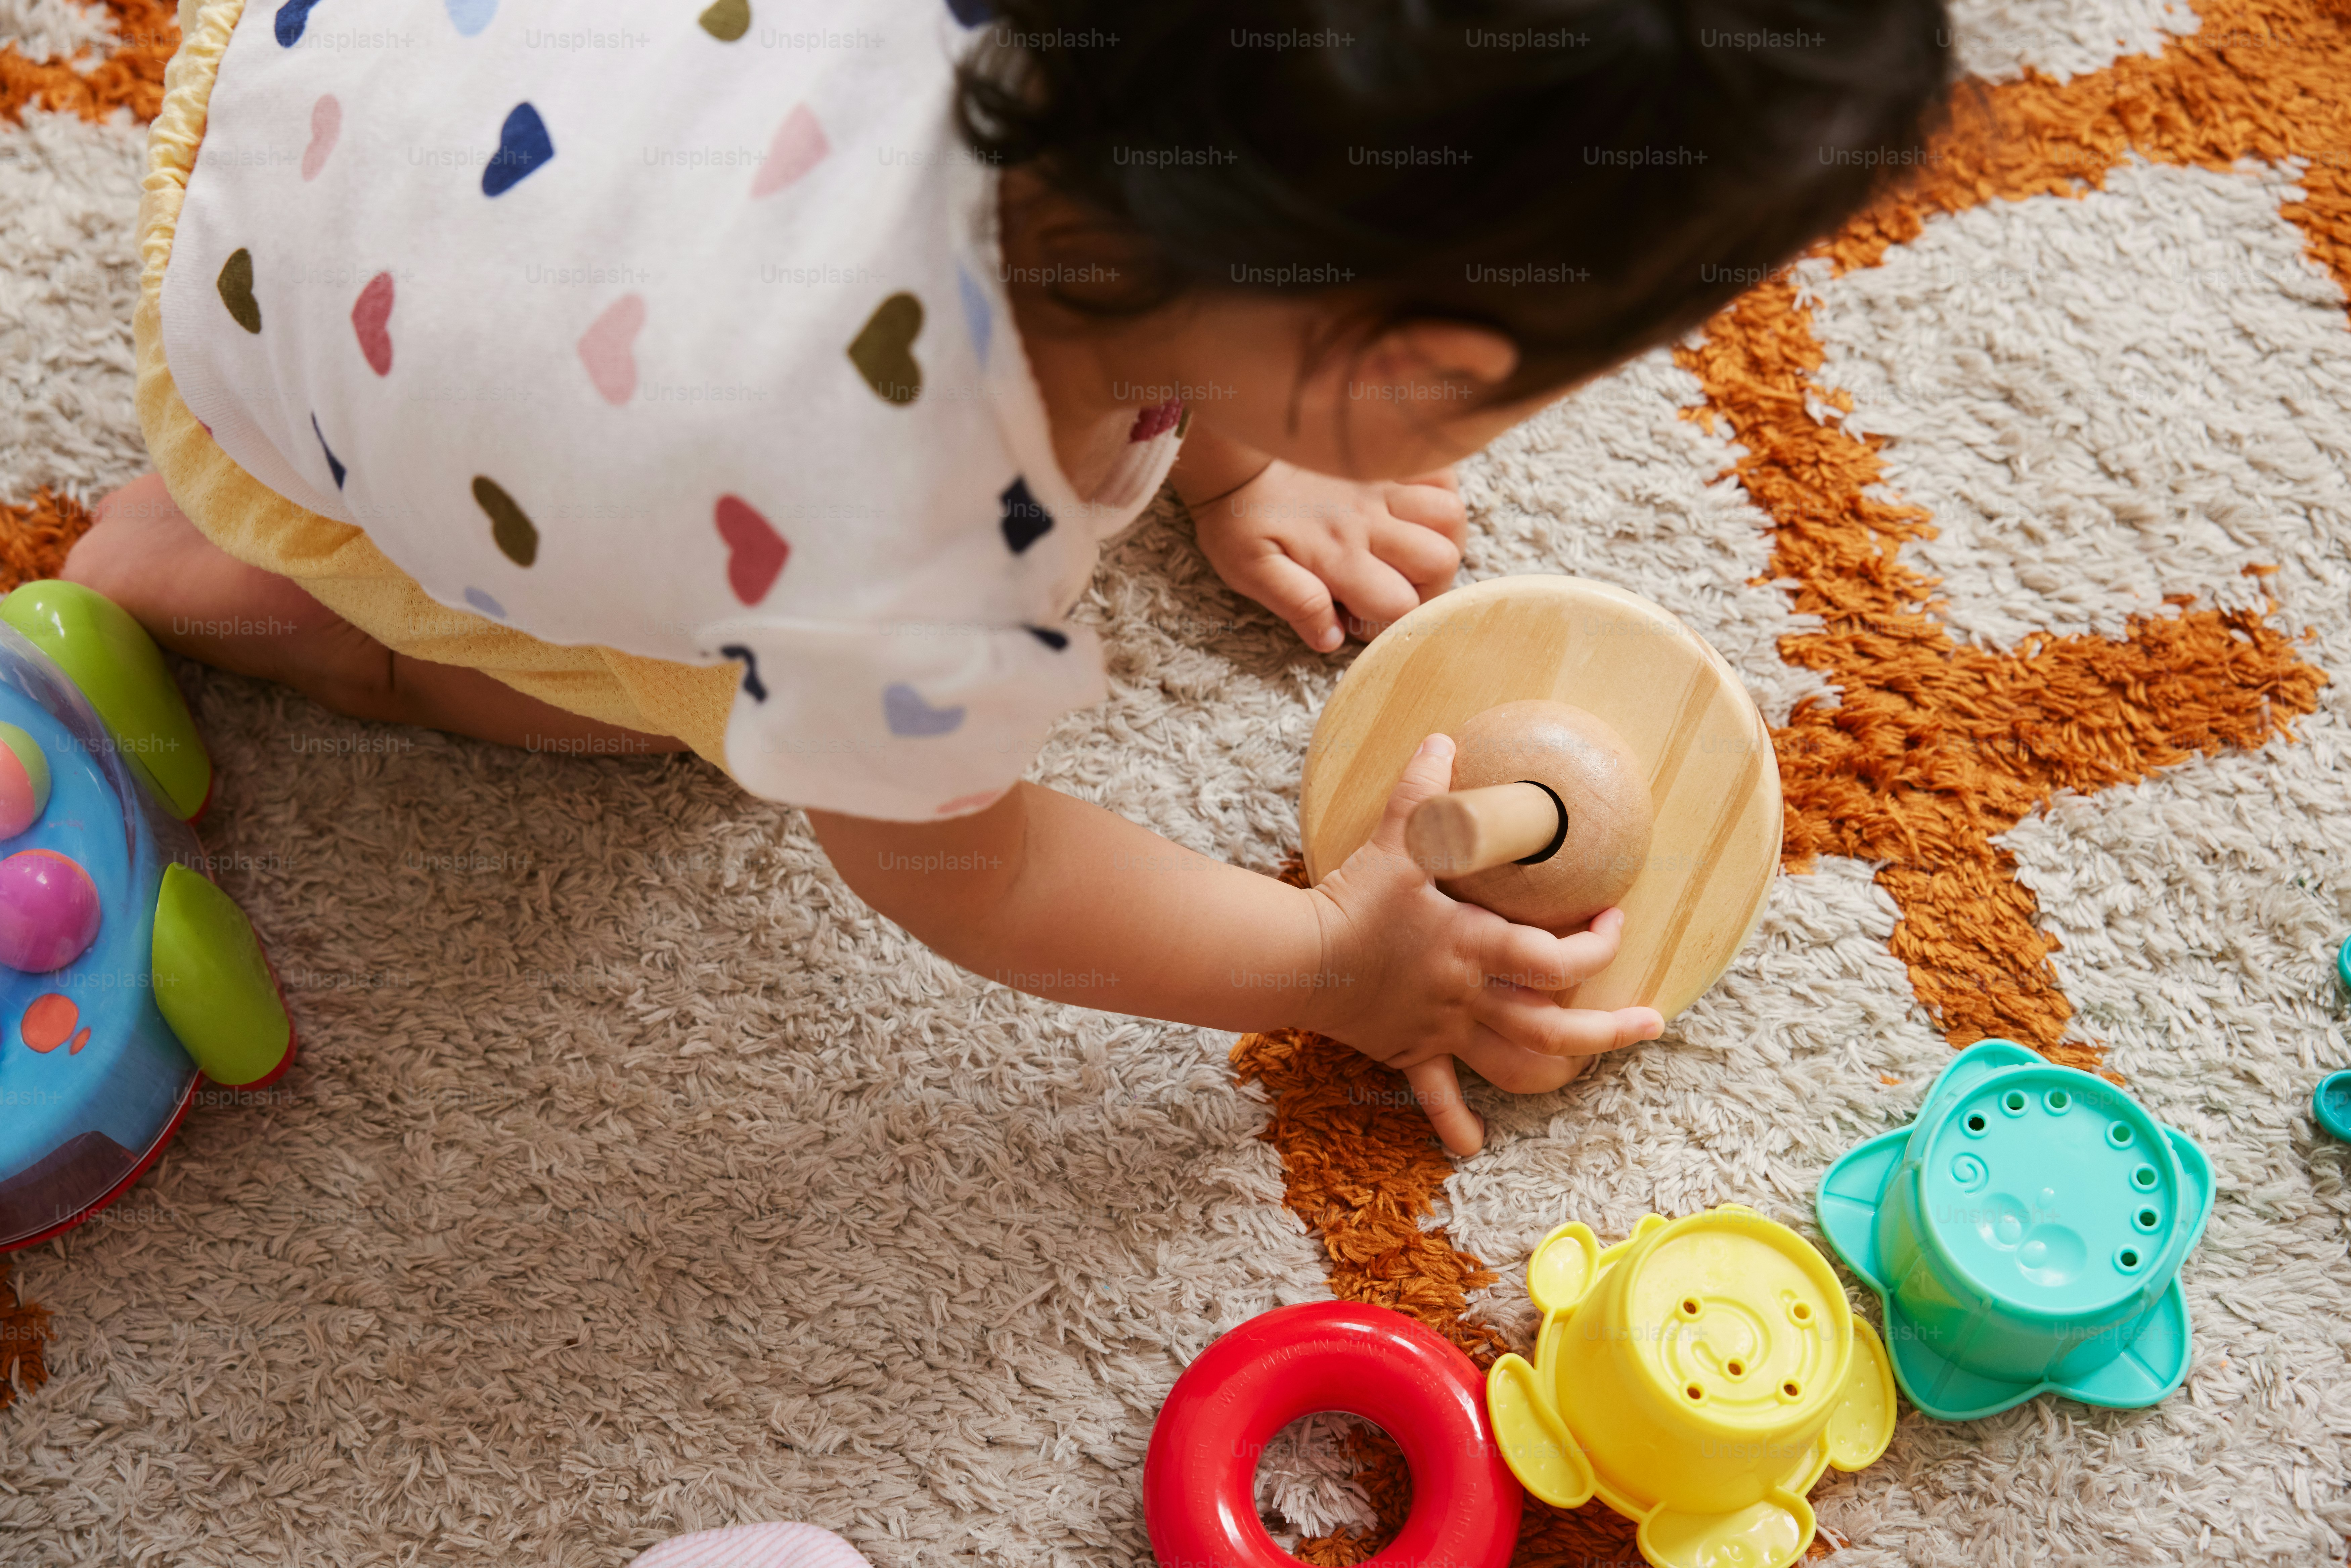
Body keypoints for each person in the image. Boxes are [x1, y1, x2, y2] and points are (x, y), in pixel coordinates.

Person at [75, 0, 1949, 1153]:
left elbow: (1203, 208)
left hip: (339, 70)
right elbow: (958, 867)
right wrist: (1325, 964)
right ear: (1415, 382)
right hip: (296, 380)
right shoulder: (917, 594)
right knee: (675, 722)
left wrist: (1237, 447)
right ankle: (249, 590)